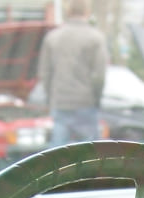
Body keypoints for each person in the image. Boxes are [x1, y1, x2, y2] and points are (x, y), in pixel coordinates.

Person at [35, 0, 107, 146]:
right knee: (91, 152)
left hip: (60, 101)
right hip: (86, 102)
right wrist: (96, 99)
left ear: (68, 12)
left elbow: (45, 73)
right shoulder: (95, 38)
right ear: (87, 12)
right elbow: (99, 75)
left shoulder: (52, 37)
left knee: (58, 152)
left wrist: (51, 97)